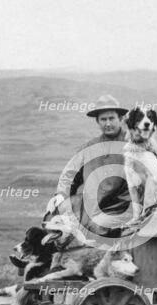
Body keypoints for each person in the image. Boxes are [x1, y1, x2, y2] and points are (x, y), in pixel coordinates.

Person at [45, 95, 132, 237]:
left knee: (97, 227)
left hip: (120, 206)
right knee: (51, 218)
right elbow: (71, 174)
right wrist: (61, 195)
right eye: (103, 119)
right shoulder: (90, 147)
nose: (108, 123)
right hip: (90, 204)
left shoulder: (132, 145)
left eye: (111, 118)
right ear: (97, 122)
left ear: (121, 119)